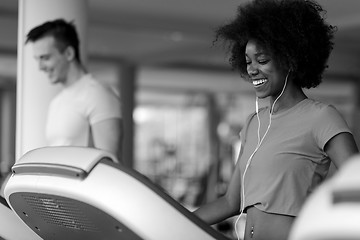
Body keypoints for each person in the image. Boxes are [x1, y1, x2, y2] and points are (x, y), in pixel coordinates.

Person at [193, 0, 359, 239]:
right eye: (248, 61)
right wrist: (171, 220)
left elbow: (354, 185)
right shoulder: (252, 124)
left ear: (290, 59)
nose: (252, 70)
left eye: (262, 60)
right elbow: (231, 201)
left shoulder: (321, 117)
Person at [26, 19, 123, 159]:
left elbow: (112, 164)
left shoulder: (97, 94)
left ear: (69, 54)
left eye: (45, 58)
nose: (40, 67)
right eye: (38, 59)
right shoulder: (57, 102)